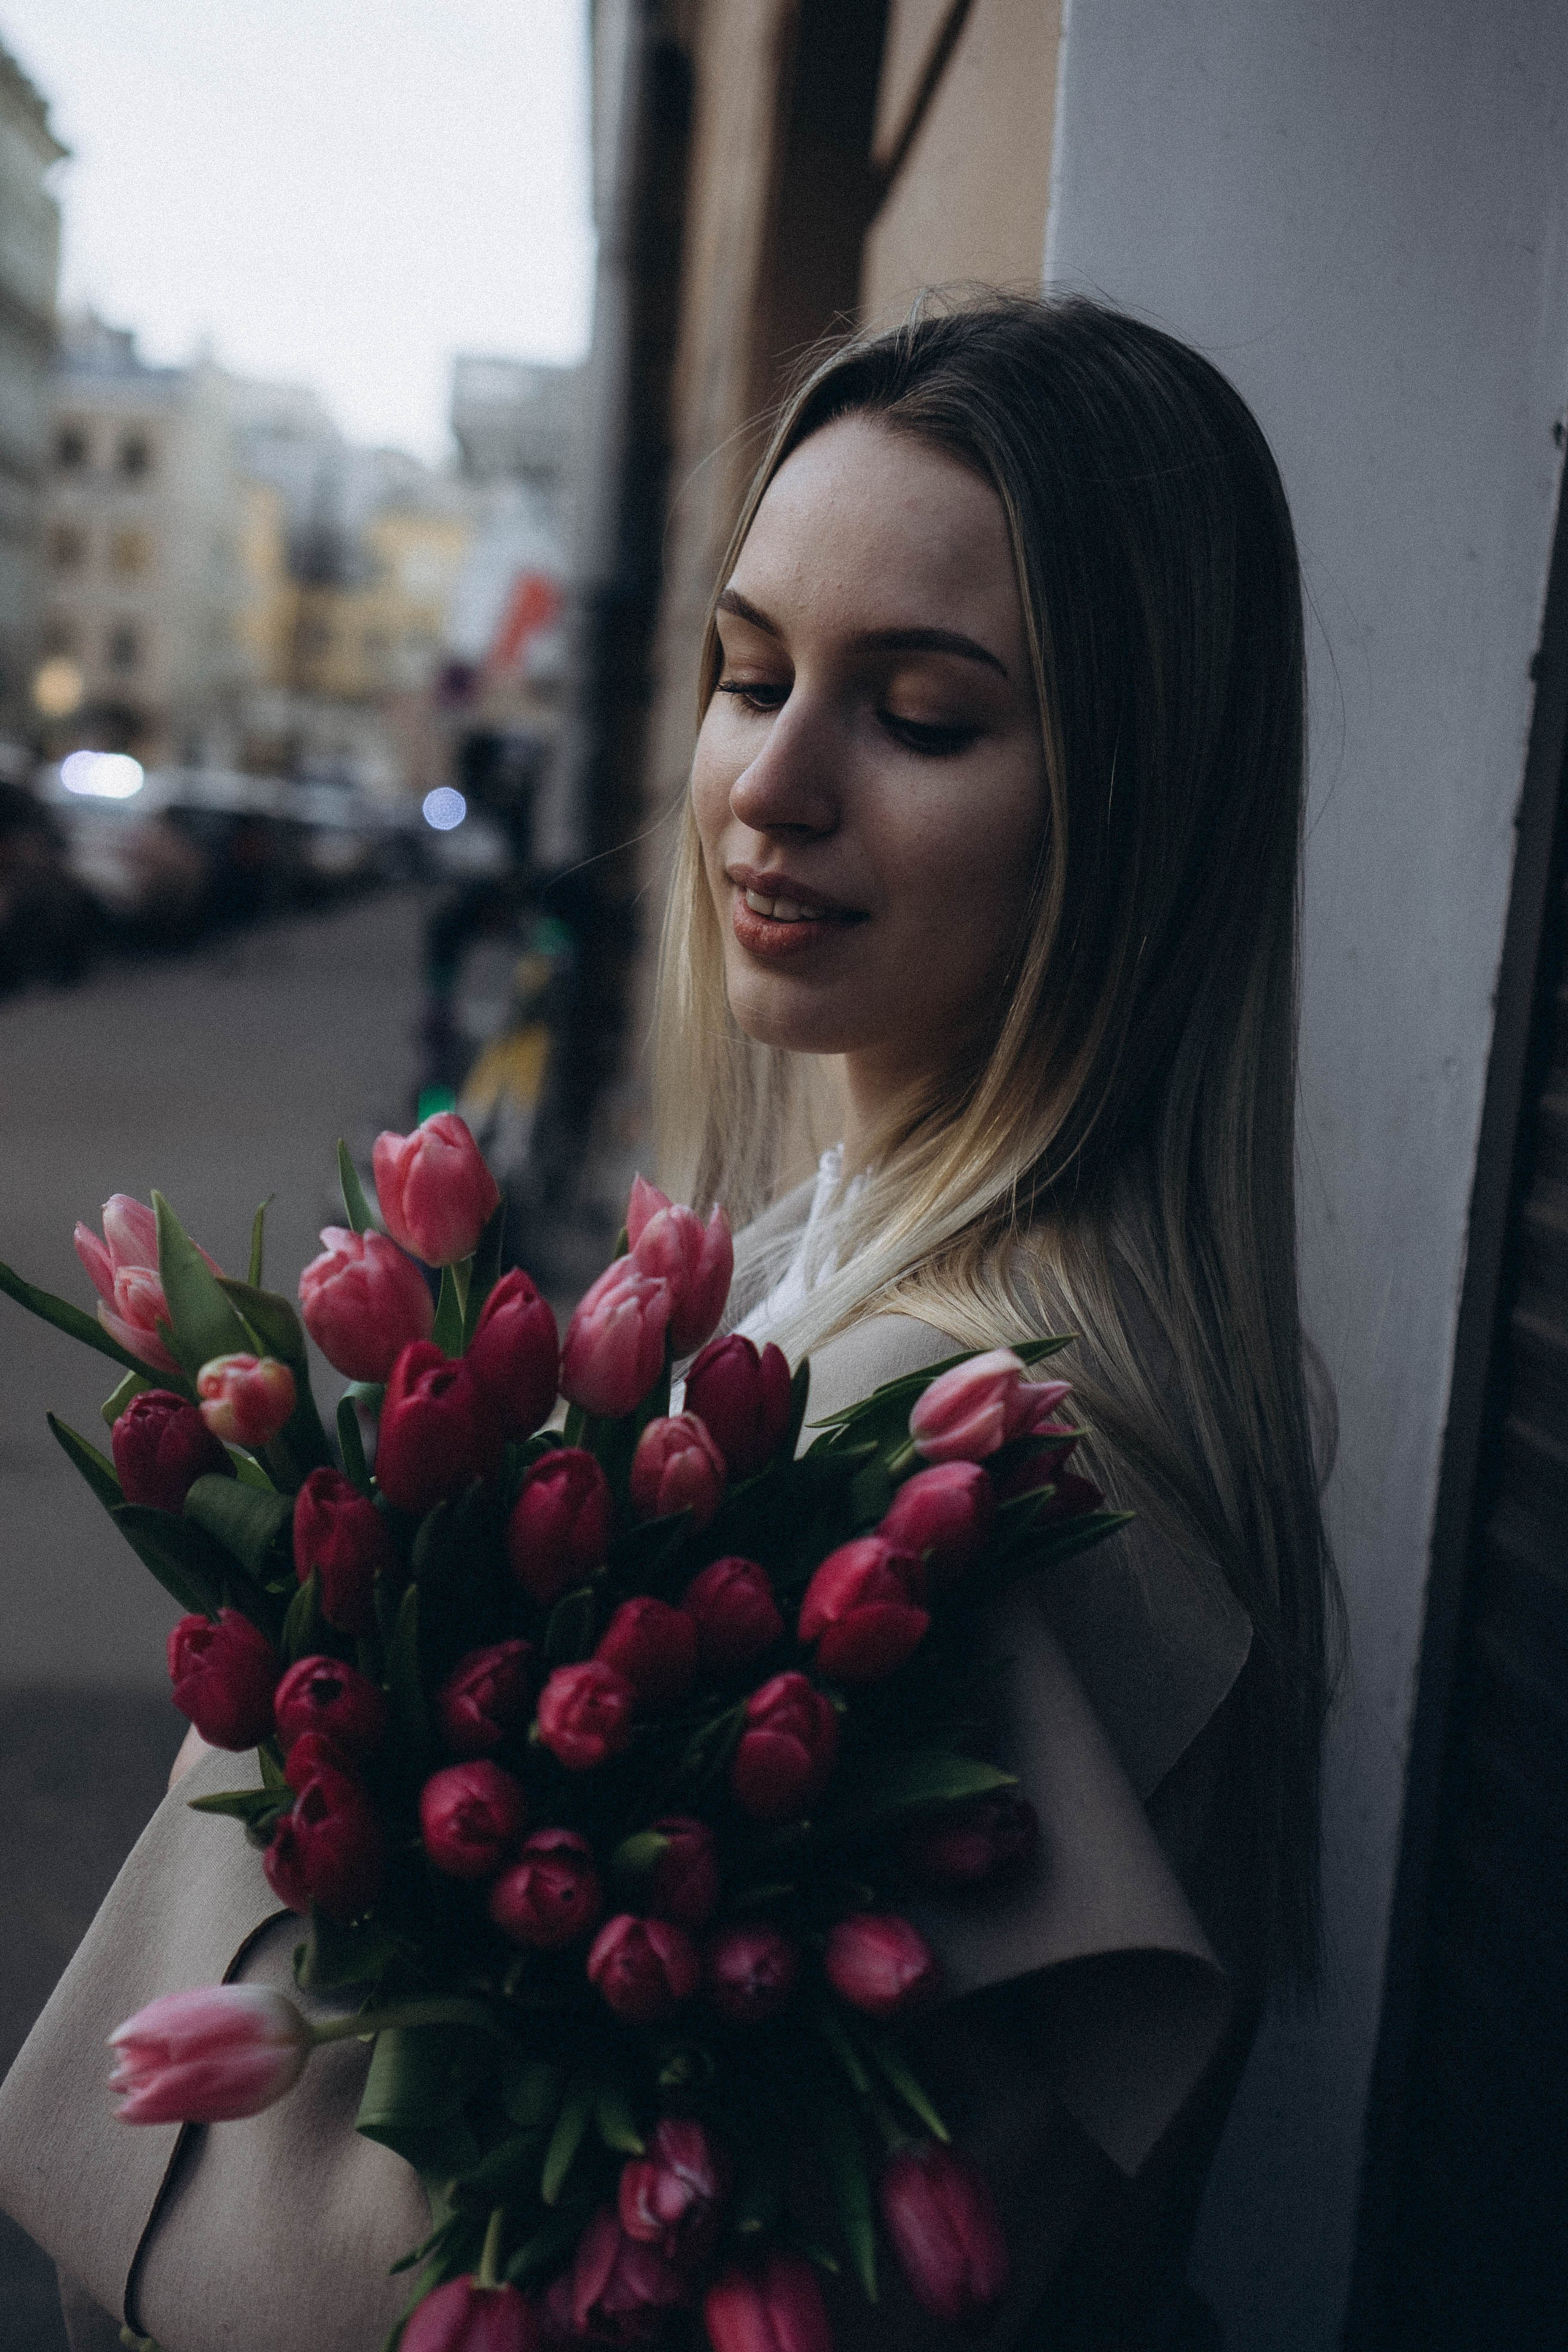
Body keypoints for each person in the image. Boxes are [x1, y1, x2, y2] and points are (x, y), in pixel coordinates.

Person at [0, 295, 1338, 2351]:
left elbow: (446, 2275)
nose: (769, 784)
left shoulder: (957, 1442)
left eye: (922, 717)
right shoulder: (886, 1292)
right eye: (750, 673)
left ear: (1142, 808)